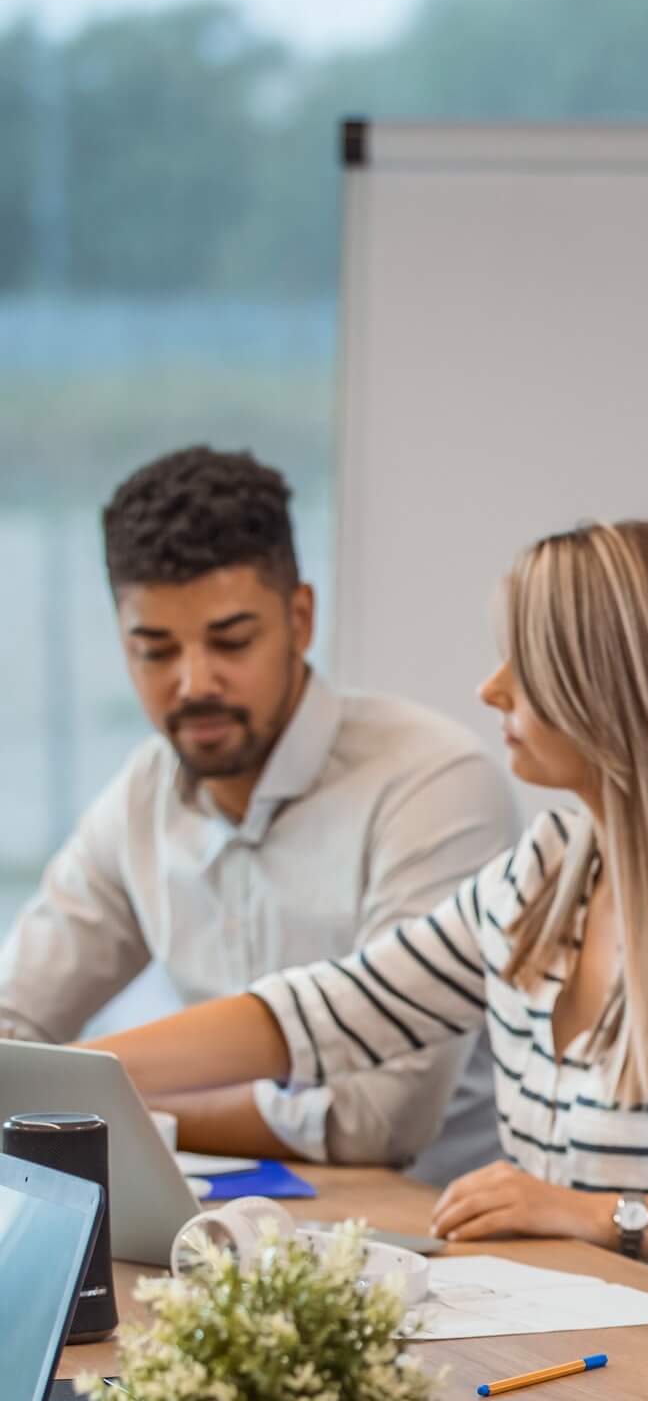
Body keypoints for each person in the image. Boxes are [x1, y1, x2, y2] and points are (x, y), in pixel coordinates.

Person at [90, 520, 648, 1270]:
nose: (491, 688)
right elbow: (323, 1016)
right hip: (567, 1315)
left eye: (529, 664)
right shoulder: (540, 876)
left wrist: (598, 1217)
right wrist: (78, 1070)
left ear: (619, 691)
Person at [0, 446, 514, 1178]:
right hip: (226, 1226)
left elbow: (378, 1119)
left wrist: (112, 1108)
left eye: (231, 642)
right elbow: (18, 1022)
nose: (193, 683)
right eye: (154, 651)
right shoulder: (142, 798)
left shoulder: (432, 783)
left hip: (441, 1239)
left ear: (300, 618)